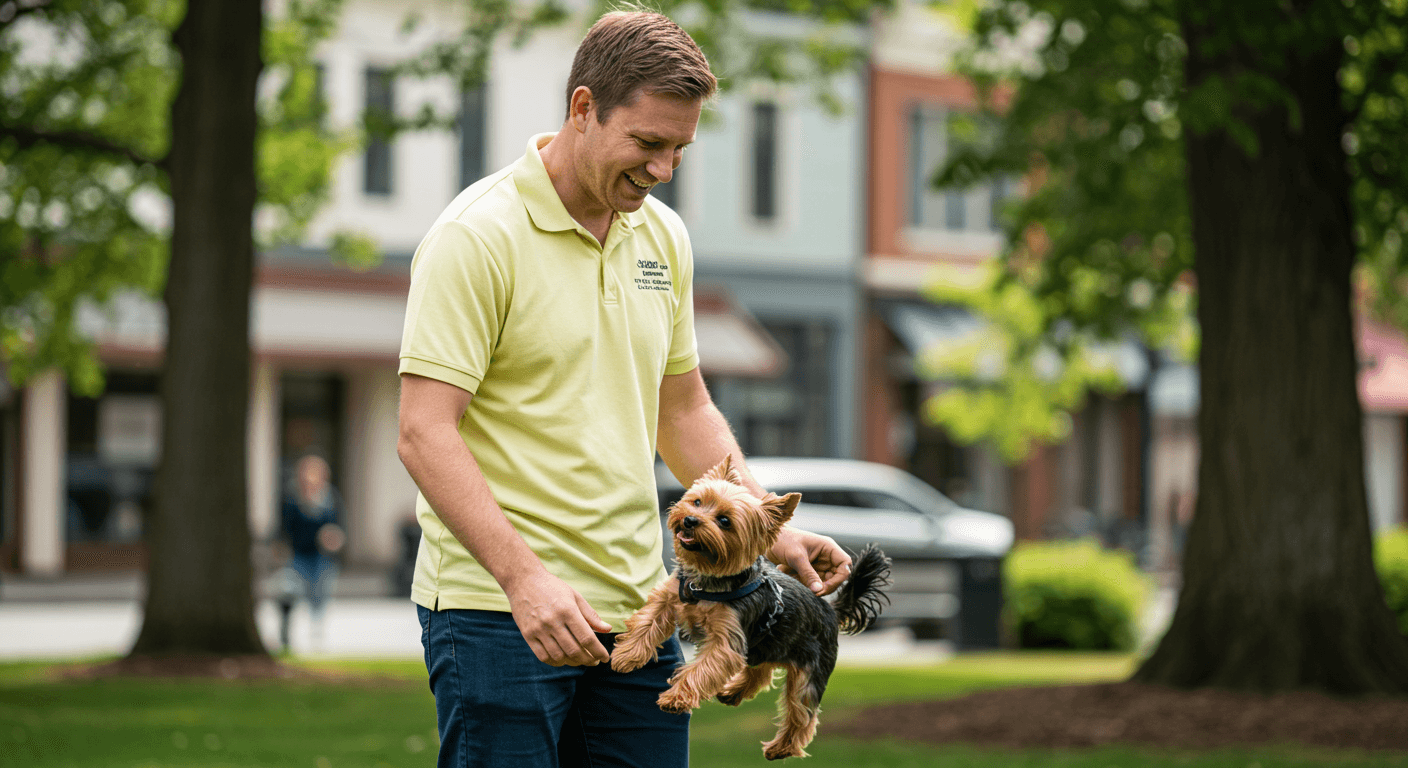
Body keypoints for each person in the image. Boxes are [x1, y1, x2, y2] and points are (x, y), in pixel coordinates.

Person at [395, 11, 852, 768]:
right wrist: (524, 580)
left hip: (641, 608)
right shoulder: (476, 237)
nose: (665, 167)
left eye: (680, 148)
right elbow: (423, 431)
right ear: (583, 109)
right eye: (647, 143)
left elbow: (685, 409)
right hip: (498, 611)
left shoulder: (663, 237)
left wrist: (769, 529)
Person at [278, 453, 345, 648]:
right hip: (298, 554)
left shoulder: (330, 499)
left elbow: (339, 527)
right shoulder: (293, 499)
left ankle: (317, 628)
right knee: (288, 589)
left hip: (321, 556)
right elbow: (285, 528)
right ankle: (285, 627)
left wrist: (334, 538)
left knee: (320, 591)